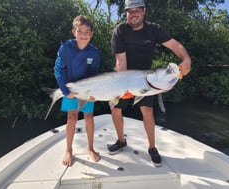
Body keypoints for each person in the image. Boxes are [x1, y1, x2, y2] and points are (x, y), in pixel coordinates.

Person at [107, 0, 191, 167]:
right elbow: (120, 62)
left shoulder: (154, 29)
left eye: (137, 10)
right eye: (130, 11)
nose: (133, 14)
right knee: (115, 108)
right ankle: (121, 140)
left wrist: (186, 59)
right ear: (126, 13)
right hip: (124, 78)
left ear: (144, 10)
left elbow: (176, 45)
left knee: (147, 111)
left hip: (147, 79)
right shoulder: (120, 30)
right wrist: (125, 88)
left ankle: (152, 148)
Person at [54, 15, 101, 166]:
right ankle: (68, 150)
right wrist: (65, 91)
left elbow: (94, 74)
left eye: (87, 32)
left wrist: (94, 93)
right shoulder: (66, 48)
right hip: (70, 89)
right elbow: (58, 70)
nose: (84, 35)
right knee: (72, 118)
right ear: (74, 32)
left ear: (92, 34)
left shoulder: (94, 52)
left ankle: (91, 148)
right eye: (80, 31)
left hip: (86, 90)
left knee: (89, 117)